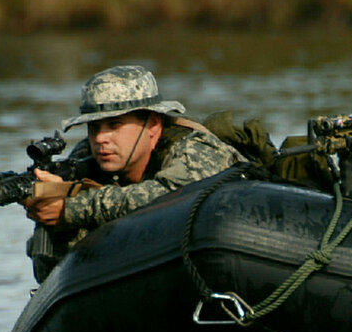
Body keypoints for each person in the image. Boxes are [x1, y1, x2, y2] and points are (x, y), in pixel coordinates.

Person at [22, 64, 245, 281]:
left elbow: (174, 195)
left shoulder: (195, 147)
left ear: (153, 125)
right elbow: (49, 277)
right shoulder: (82, 159)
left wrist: (72, 207)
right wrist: (55, 219)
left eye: (114, 124)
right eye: (94, 127)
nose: (101, 138)